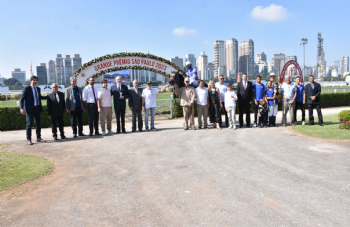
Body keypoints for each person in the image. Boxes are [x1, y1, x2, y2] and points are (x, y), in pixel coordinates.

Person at [19, 75, 47, 145]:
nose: (35, 81)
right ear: (30, 81)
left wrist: (49, 96)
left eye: (36, 80)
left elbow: (40, 97)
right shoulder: (26, 88)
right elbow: (21, 99)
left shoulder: (38, 89)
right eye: (33, 80)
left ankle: (38, 137)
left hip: (37, 108)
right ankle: (29, 139)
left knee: (38, 124)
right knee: (29, 124)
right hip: (29, 109)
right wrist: (21, 108)